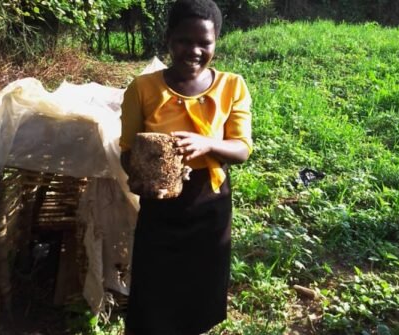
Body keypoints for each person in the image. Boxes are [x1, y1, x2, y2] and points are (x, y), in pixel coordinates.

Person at [119, 0, 252, 334]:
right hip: (160, 206)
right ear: (169, 39)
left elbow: (241, 148)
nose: (193, 50)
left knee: (200, 288)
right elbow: (126, 150)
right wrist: (147, 172)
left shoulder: (232, 86)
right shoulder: (143, 88)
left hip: (210, 202)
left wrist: (207, 144)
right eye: (184, 40)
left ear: (216, 42)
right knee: (154, 289)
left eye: (204, 43)